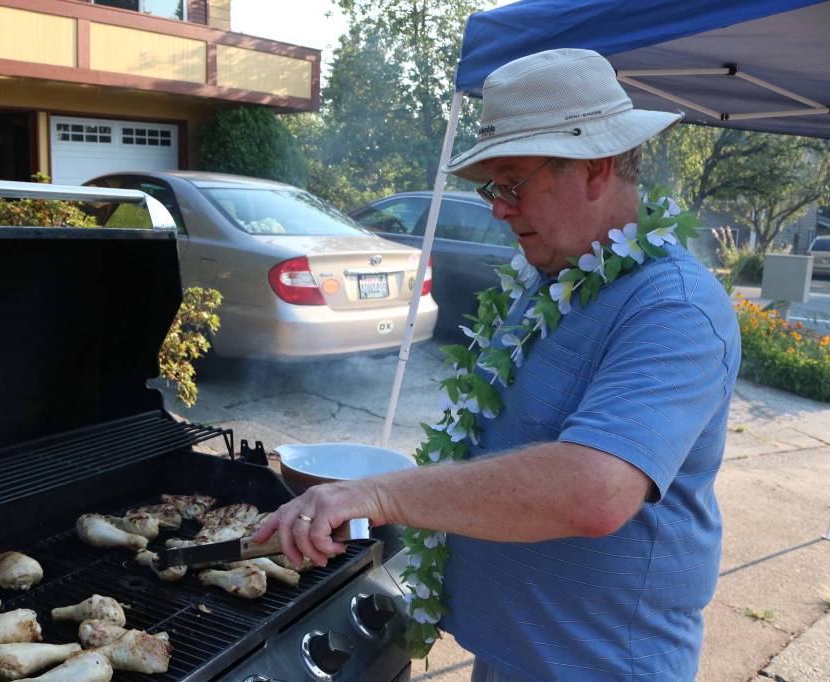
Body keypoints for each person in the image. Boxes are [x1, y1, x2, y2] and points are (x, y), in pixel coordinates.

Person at [254, 48, 741, 681]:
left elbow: (593, 491)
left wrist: (379, 493)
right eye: (491, 188)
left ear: (594, 169)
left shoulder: (674, 307)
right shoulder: (550, 282)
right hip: (514, 657)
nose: (498, 208)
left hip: (603, 666)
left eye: (512, 183)